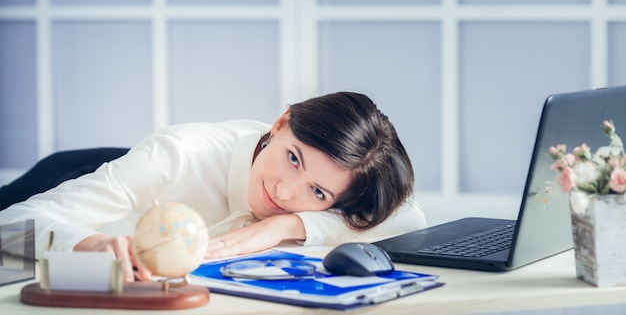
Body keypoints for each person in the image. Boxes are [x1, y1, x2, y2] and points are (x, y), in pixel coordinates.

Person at [0, 92, 426, 282]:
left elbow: (410, 217)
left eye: (317, 193)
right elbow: (10, 226)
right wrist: (86, 244)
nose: (284, 191)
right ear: (279, 124)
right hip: (65, 181)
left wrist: (283, 226)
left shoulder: (304, 205)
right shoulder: (177, 155)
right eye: (293, 158)